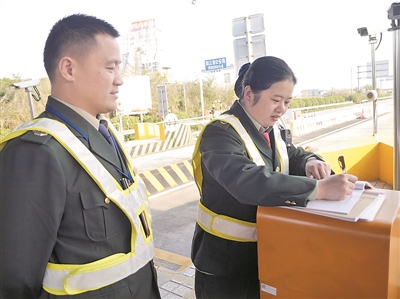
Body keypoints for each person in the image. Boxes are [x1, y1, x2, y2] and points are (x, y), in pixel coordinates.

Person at [0, 14, 160, 299]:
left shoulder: (104, 134)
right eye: (110, 67)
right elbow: (15, 280)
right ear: (69, 69)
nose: (120, 79)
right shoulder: (36, 153)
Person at [191, 56, 358, 299]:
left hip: (265, 256)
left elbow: (291, 153)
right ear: (249, 94)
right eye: (276, 100)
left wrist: (311, 162)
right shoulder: (220, 133)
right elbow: (247, 180)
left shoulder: (272, 129)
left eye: (287, 102)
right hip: (225, 265)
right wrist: (319, 189)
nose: (282, 109)